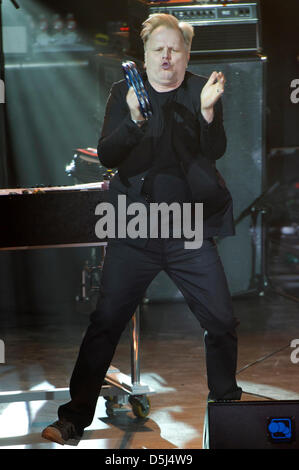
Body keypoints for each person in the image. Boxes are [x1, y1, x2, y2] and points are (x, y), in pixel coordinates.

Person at [42, 13, 242, 445]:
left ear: (187, 54)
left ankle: (227, 408)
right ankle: (74, 417)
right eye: (159, 49)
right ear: (146, 55)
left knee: (222, 320)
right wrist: (133, 120)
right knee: (106, 321)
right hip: (135, 227)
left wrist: (207, 113)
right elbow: (110, 155)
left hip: (188, 228)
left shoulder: (200, 88)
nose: (167, 57)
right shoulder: (124, 92)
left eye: (175, 49)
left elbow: (216, 151)